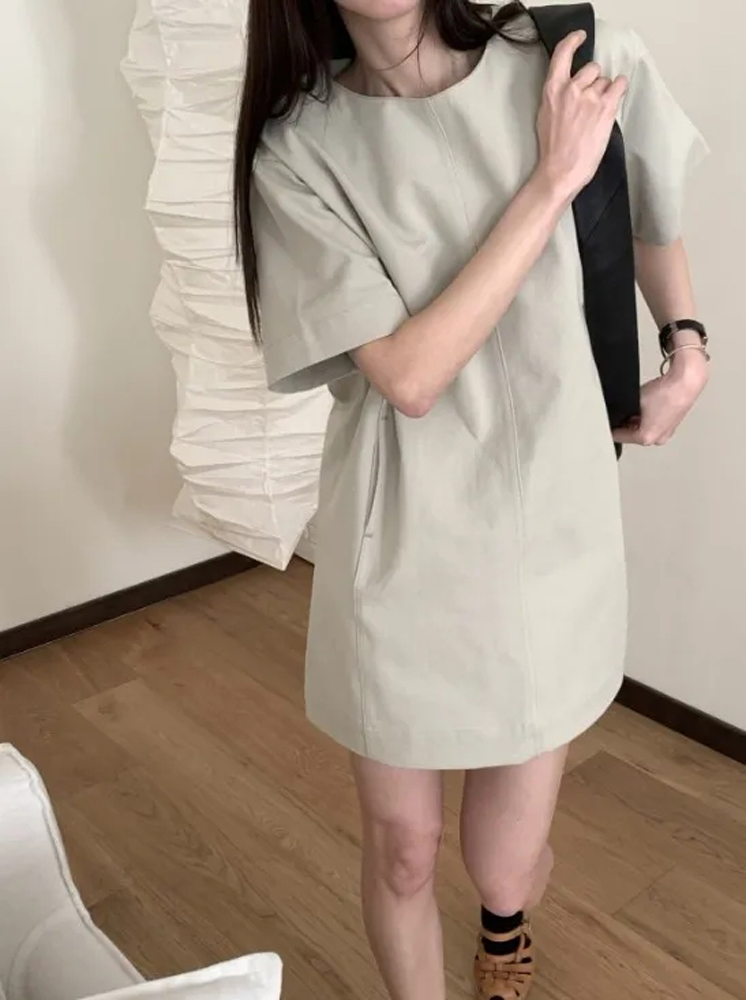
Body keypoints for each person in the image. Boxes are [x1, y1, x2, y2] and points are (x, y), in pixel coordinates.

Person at [233, 2, 710, 998]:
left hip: (551, 522)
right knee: (404, 848)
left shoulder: (564, 51)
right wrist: (548, 181)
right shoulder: (299, 150)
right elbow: (409, 376)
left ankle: (504, 925)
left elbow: (648, 206)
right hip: (399, 532)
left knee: (504, 862)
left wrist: (686, 343)